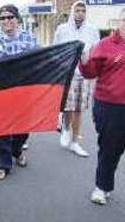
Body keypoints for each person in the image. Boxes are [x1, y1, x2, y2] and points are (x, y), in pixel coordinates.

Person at [0, 4, 38, 180]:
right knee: (1, 129)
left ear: (17, 19)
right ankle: (4, 164)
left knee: (23, 129)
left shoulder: (30, 38)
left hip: (24, 92)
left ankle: (17, 150)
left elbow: (38, 62)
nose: (6, 21)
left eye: (10, 17)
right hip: (0, 92)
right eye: (3, 18)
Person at [79, 8, 125, 205]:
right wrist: (84, 61)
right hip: (110, 106)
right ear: (120, 21)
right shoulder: (105, 45)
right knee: (110, 148)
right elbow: (90, 73)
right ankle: (102, 186)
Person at [53, 0, 100, 157]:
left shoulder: (92, 30)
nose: (80, 13)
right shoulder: (62, 29)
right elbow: (56, 50)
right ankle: (65, 128)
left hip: (84, 74)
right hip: (68, 73)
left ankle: (75, 142)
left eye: (83, 11)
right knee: (68, 107)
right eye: (78, 10)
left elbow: (96, 51)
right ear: (73, 12)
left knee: (79, 109)